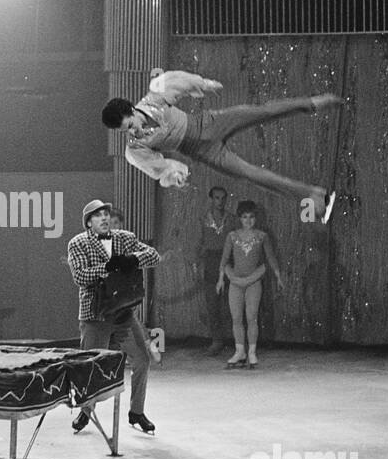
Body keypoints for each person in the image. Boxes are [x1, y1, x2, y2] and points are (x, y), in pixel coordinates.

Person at [101, 70, 344, 223]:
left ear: (131, 110)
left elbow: (178, 81)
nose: (132, 131)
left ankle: (314, 103)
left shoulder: (153, 98)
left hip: (210, 122)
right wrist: (174, 175)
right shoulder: (135, 149)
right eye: (126, 131)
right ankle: (314, 195)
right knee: (252, 174)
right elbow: (159, 168)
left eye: (130, 123)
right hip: (203, 152)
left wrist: (204, 84)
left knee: (261, 112)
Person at [66, 199, 161, 435]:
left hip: (123, 312)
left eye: (106, 214)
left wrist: (133, 259)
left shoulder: (125, 238)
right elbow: (80, 276)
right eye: (98, 215)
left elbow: (154, 256)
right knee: (91, 365)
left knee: (142, 359)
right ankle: (86, 411)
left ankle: (136, 412)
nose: (104, 218)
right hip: (95, 314)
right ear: (89, 222)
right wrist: (109, 267)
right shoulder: (78, 243)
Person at [216, 200, 285, 368]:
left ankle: (252, 352)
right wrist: (220, 279)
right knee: (236, 317)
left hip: (254, 280)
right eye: (245, 217)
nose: (248, 220)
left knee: (251, 316)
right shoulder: (232, 236)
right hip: (236, 281)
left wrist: (278, 276)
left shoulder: (262, 236)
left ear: (256, 218)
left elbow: (270, 257)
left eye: (251, 217)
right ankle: (240, 351)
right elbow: (224, 259)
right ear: (240, 218)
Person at [107, 208, 162, 364]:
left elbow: (147, 255)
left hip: (129, 289)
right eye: (110, 223)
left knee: (127, 319)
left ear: (122, 224)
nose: (113, 226)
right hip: (114, 290)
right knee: (124, 321)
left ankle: (145, 346)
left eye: (116, 222)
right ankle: (141, 347)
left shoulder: (128, 241)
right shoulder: (104, 242)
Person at [197, 186, 234, 354]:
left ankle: (235, 341)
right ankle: (216, 340)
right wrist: (196, 265)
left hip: (229, 261)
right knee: (212, 305)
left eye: (223, 198)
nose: (220, 202)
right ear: (211, 199)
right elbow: (198, 244)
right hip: (210, 261)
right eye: (217, 198)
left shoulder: (232, 219)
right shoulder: (203, 219)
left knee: (230, 303)